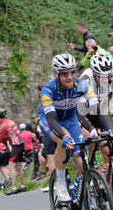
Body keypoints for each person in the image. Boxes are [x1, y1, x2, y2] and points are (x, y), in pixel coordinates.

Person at [39, 53, 101, 202]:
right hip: (51, 121)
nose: (70, 77)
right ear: (56, 74)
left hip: (71, 119)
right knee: (64, 140)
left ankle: (80, 189)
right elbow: (52, 119)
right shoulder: (48, 90)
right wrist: (64, 136)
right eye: (65, 74)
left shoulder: (81, 85)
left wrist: (95, 129)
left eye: (73, 72)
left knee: (80, 161)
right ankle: (60, 184)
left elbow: (96, 108)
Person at [0, 108, 27, 195]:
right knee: (18, 166)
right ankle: (23, 186)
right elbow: (10, 135)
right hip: (20, 143)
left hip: (16, 145)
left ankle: (14, 188)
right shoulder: (10, 121)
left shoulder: (4, 125)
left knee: (11, 167)